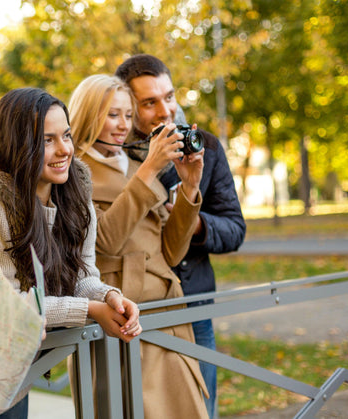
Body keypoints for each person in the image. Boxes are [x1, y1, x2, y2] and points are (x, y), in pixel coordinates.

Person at [0, 87, 142, 419]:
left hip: (14, 381)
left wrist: (108, 297)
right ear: (17, 145)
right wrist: (89, 310)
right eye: (46, 140)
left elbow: (83, 276)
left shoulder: (76, 201)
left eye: (66, 135)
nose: (65, 149)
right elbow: (9, 306)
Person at [69, 74, 209, 418]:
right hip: (122, 318)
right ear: (88, 115)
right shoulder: (73, 171)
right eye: (112, 114)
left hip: (167, 314)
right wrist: (148, 171)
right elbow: (105, 241)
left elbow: (172, 254)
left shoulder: (133, 165)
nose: (123, 125)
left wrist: (190, 187)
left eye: (128, 116)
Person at [115, 54, 247, 418]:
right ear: (127, 104)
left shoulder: (207, 146)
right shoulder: (111, 153)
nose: (165, 110)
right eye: (149, 102)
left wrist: (194, 221)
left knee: (201, 411)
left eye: (169, 97)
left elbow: (235, 229)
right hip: (134, 313)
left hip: (193, 307)